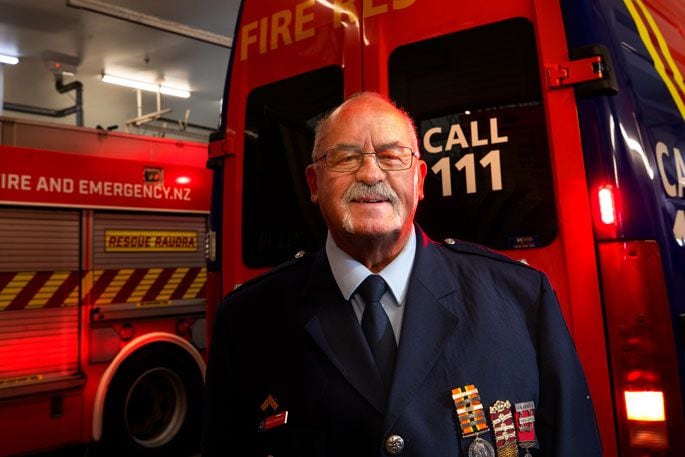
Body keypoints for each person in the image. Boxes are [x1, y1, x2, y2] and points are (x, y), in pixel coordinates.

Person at [202, 92, 602, 456]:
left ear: (420, 179)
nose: (371, 175)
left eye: (392, 157)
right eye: (345, 157)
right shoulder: (247, 321)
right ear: (313, 182)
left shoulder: (521, 298)